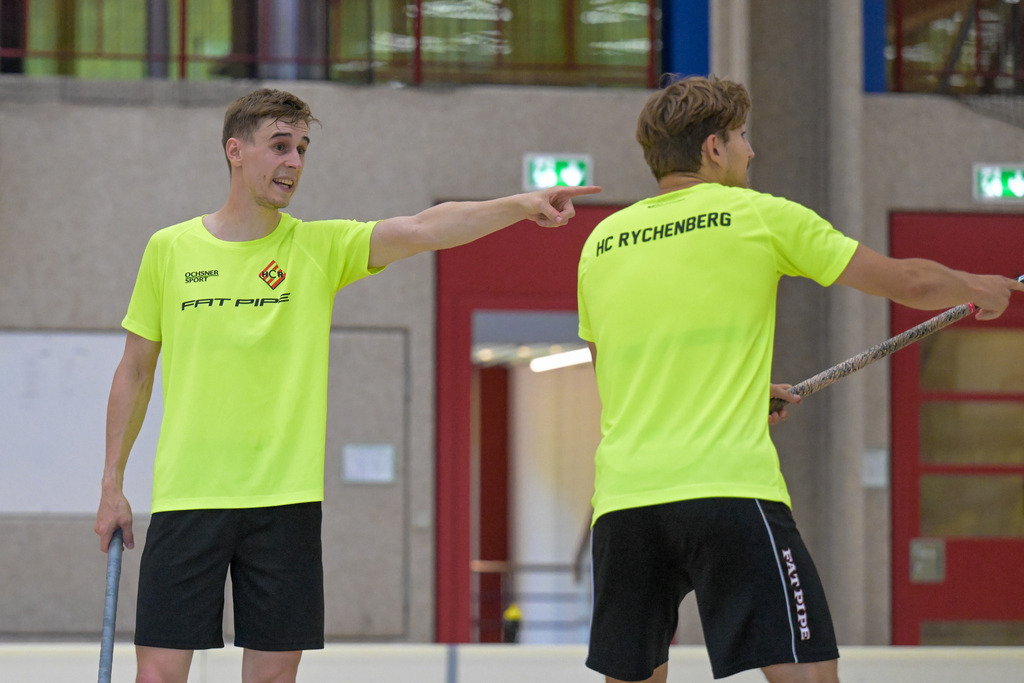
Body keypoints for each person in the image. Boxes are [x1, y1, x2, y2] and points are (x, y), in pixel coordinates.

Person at [94, 87, 600, 683]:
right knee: (156, 674)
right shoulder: (170, 249)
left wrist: (518, 205)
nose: (294, 162)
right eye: (280, 146)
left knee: (273, 678)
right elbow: (135, 370)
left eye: (303, 149)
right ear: (235, 150)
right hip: (188, 498)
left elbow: (424, 228)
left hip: (285, 504)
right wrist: (111, 484)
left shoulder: (318, 247)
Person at [576, 75, 1023, 683]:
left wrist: (733, 392)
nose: (750, 150)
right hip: (728, 488)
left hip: (625, 502)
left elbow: (617, 374)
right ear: (713, 148)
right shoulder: (758, 215)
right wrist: (979, 287)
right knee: (809, 676)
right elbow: (908, 282)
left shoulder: (601, 242)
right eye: (741, 136)